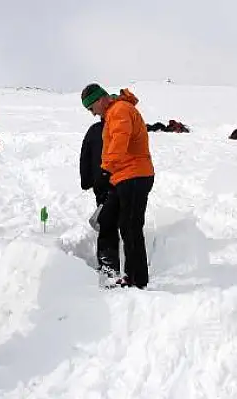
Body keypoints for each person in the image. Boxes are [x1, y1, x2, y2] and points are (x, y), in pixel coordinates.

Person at [81, 83, 155, 289]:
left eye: (91, 108)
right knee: (125, 225)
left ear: (100, 100)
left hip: (134, 174)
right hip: (126, 175)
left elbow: (119, 143)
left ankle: (137, 280)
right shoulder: (116, 110)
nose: (92, 114)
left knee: (131, 227)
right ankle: (132, 276)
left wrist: (106, 171)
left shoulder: (120, 110)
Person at [79, 119, 120, 277]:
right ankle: (112, 263)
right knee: (117, 221)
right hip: (119, 181)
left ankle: (108, 265)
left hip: (103, 182)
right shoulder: (120, 127)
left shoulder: (95, 130)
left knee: (107, 223)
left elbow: (85, 156)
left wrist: (86, 181)